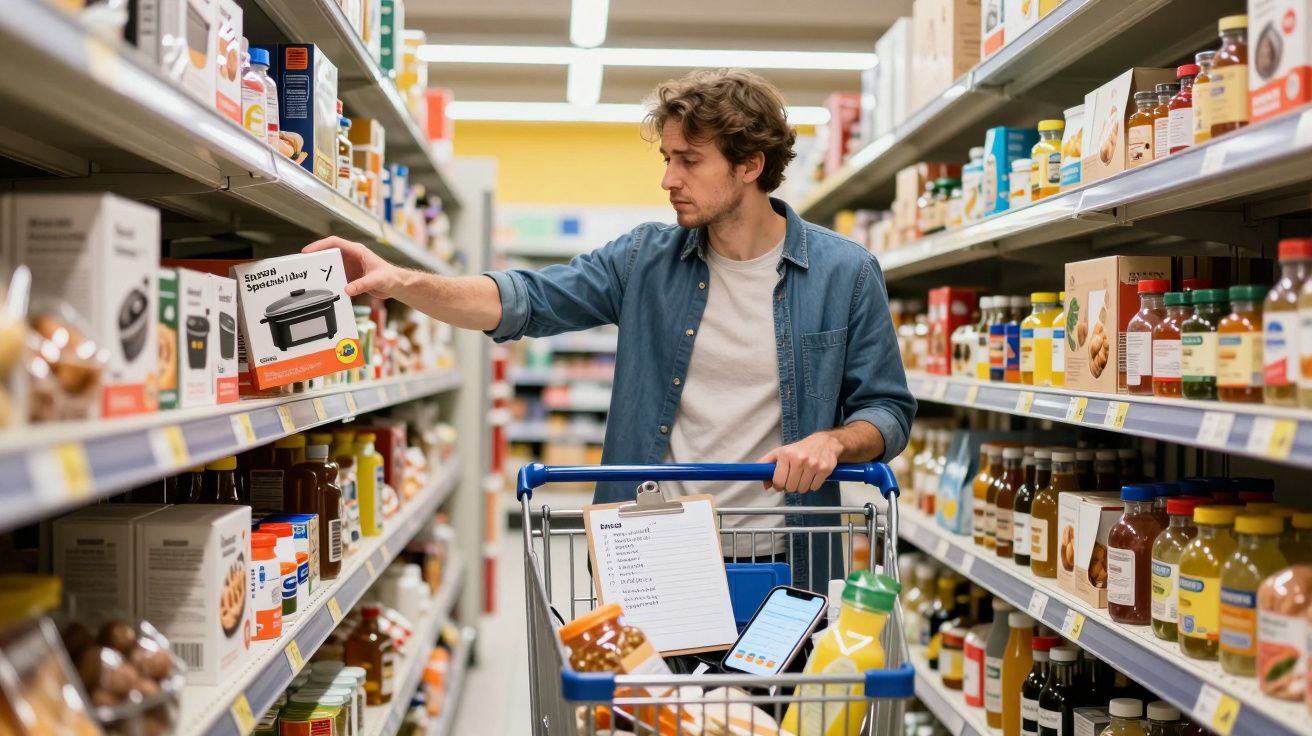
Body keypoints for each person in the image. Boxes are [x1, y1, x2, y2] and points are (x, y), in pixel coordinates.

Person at [304, 68, 916, 588]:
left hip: (789, 561)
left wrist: (833, 443)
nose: (668, 179)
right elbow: (522, 300)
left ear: (751, 165)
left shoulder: (846, 273)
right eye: (667, 158)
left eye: (690, 160)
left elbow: (887, 409)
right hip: (654, 556)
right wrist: (401, 283)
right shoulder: (643, 260)